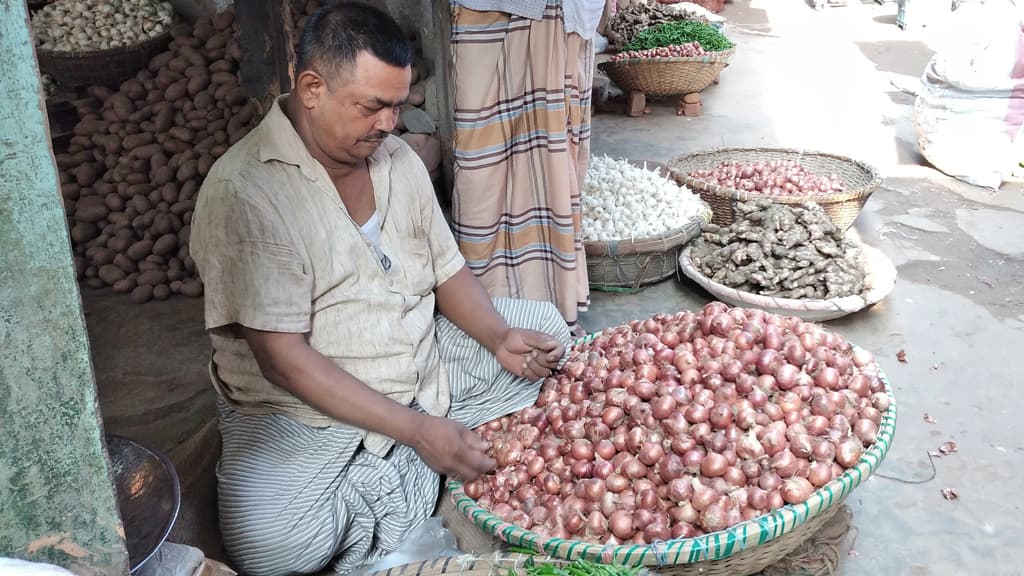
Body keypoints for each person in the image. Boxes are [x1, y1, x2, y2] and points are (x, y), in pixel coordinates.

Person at [188, 4, 571, 575]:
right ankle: (426, 449)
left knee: (546, 330)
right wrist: (418, 431)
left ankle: (407, 457)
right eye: (373, 107)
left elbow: (446, 271)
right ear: (312, 88)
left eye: (397, 105)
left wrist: (497, 337)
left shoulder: (397, 161)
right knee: (269, 545)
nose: (391, 123)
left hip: (417, 357)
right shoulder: (247, 191)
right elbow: (283, 362)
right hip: (305, 408)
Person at [449, 0, 605, 338]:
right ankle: (483, 310)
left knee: (553, 162)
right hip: (489, 9)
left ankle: (553, 307)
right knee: (481, 164)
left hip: (564, 15)